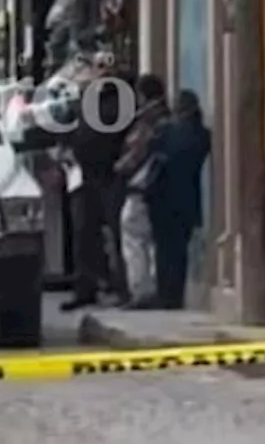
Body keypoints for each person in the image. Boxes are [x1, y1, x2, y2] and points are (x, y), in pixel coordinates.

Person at [58, 67, 132, 311]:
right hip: (85, 175)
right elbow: (73, 132)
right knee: (84, 235)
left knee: (115, 233)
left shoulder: (118, 105)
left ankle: (121, 287)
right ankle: (86, 287)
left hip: (109, 176)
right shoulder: (89, 105)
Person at [145, 90, 211, 309]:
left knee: (164, 250)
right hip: (187, 199)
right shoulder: (202, 134)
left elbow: (152, 150)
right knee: (179, 250)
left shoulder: (167, 131)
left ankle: (165, 294)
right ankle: (174, 294)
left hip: (164, 198)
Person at [113, 74, 171, 309]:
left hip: (141, 187)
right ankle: (152, 288)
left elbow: (138, 151)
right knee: (151, 240)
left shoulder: (148, 120)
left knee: (133, 237)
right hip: (158, 188)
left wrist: (120, 167)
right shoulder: (165, 116)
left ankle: (141, 291)